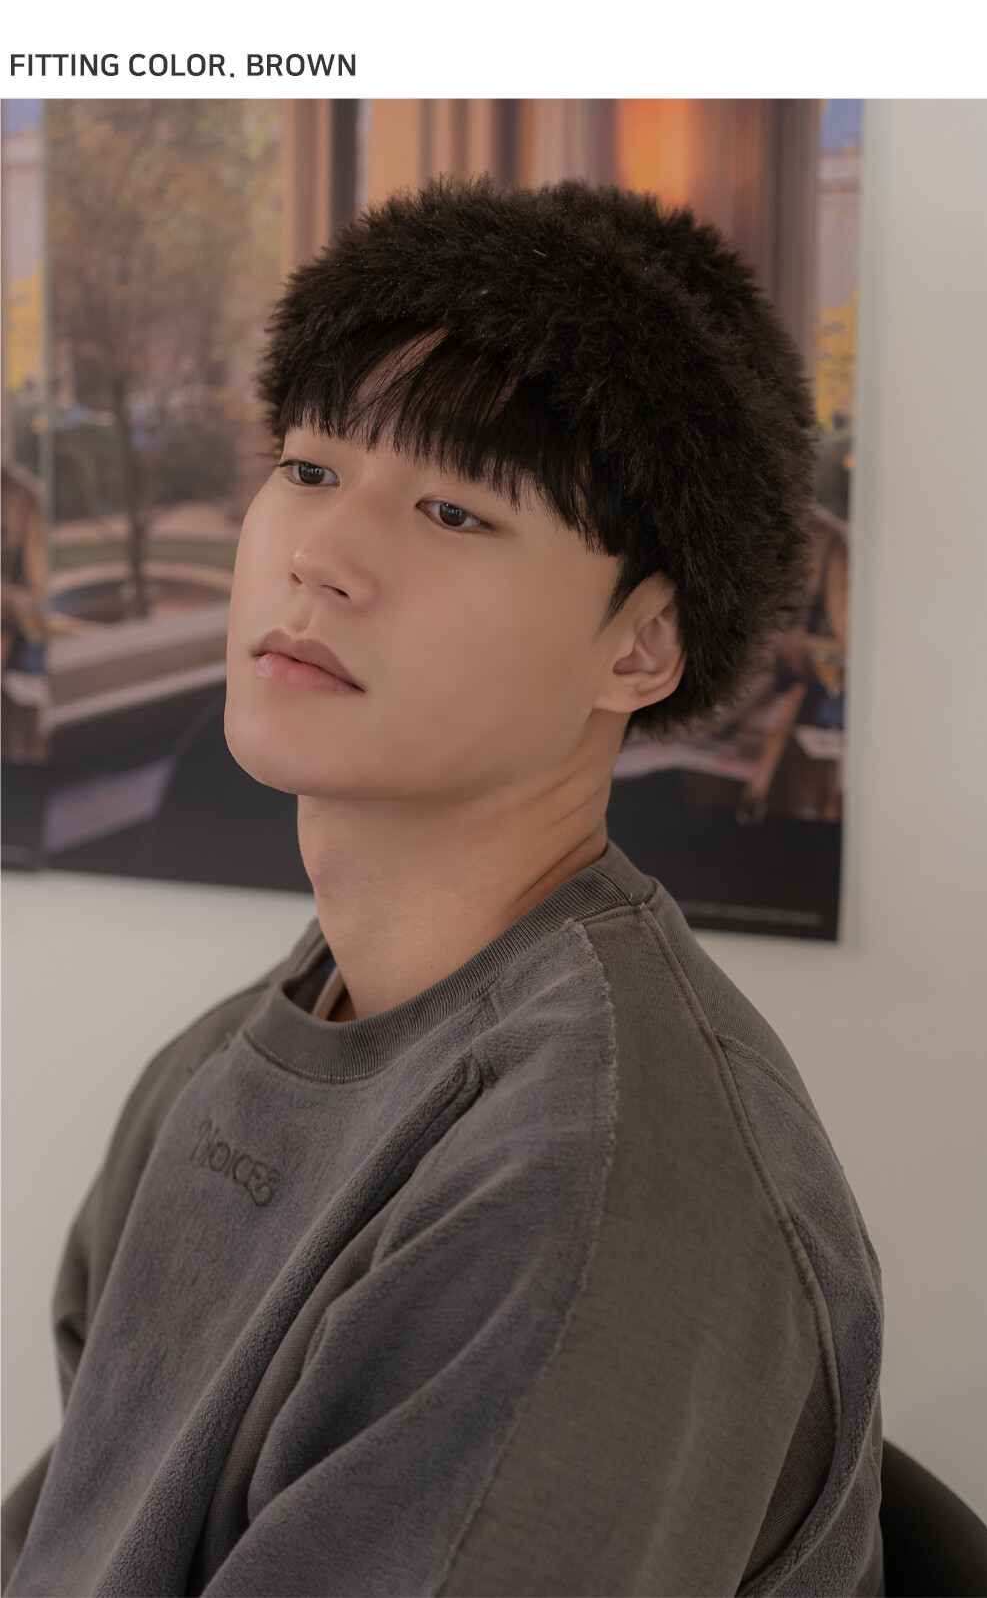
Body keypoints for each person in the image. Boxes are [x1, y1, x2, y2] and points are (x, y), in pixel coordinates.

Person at [0, 177, 885, 1597]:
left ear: (640, 648)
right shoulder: (223, 1065)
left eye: (455, 510)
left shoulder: (590, 1175)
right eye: (308, 468)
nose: (322, 555)